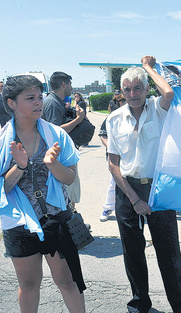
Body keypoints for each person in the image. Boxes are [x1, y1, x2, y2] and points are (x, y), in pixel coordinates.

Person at [106, 56, 181, 313]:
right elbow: (113, 164)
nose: (132, 94)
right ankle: (139, 303)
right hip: (127, 190)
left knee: (168, 251)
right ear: (121, 92)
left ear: (146, 90)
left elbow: (167, 91)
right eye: (127, 89)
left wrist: (148, 68)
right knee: (132, 251)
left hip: (158, 190)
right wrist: (134, 199)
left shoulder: (158, 109)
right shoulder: (114, 119)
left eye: (138, 88)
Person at [0, 75, 85, 312]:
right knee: (28, 284)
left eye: (39, 96)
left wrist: (53, 164)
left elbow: (70, 178)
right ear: (11, 103)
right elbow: (3, 190)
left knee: (68, 280)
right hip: (19, 224)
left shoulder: (56, 135)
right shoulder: (2, 142)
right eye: (30, 98)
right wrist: (20, 166)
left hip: (56, 218)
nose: (38, 102)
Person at [42, 72, 85, 210]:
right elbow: (57, 131)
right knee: (68, 192)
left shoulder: (56, 101)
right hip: (59, 158)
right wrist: (78, 119)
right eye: (70, 84)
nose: (72, 88)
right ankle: (70, 221)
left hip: (62, 155)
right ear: (63, 84)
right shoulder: (53, 103)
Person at [98, 94, 126, 222]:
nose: (124, 103)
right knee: (114, 182)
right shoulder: (112, 117)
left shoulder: (137, 114)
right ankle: (108, 208)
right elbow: (102, 135)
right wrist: (112, 148)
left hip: (131, 156)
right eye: (122, 101)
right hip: (115, 157)